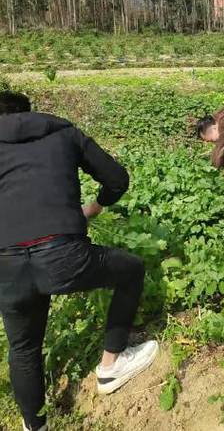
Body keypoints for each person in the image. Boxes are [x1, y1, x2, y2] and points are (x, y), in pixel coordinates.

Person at [0, 91, 159, 431]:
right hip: (63, 254)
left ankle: (34, 426)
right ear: (31, 112)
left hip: (6, 265)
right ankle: (110, 365)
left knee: (24, 347)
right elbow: (118, 179)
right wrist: (93, 208)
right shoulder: (63, 132)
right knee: (130, 270)